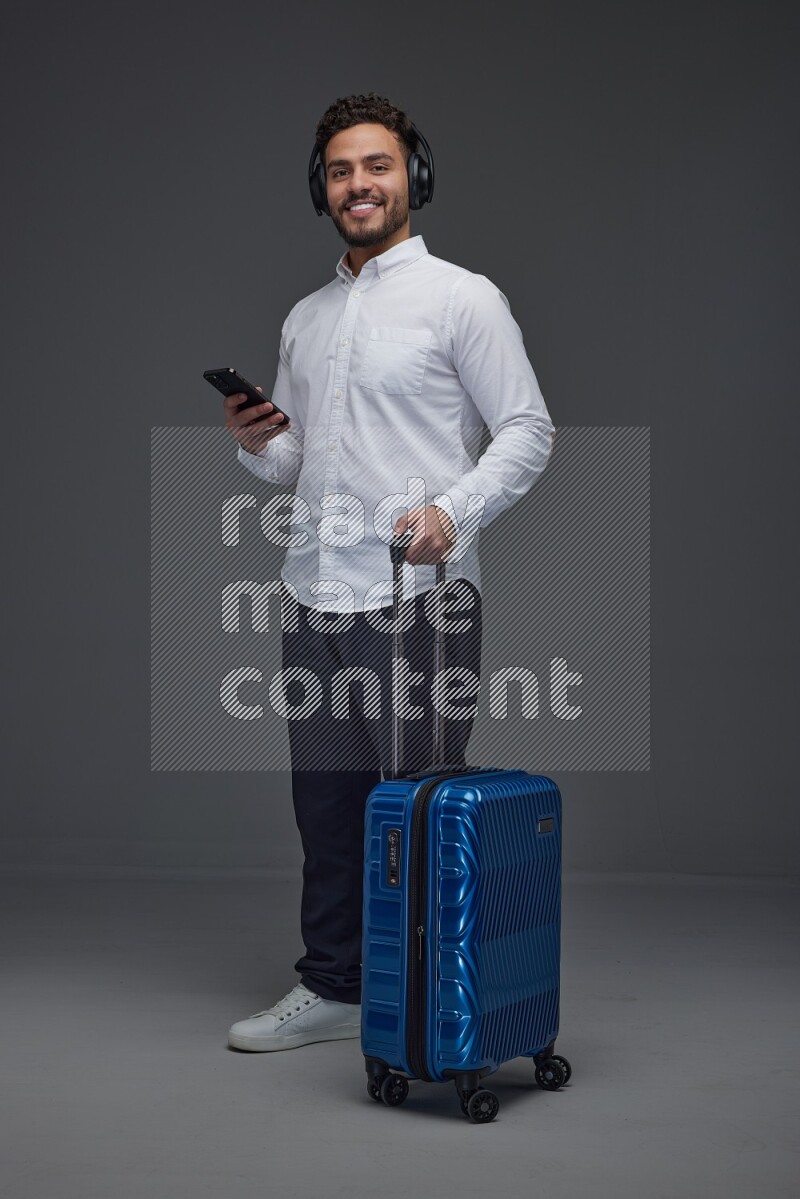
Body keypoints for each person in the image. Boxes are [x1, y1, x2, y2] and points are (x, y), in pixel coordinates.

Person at [222, 93, 555, 1052]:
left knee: (415, 807)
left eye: (377, 165)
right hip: (313, 591)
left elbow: (528, 430)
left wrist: (454, 511)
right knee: (325, 810)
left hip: (417, 597)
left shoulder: (462, 298)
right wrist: (257, 440)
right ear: (321, 188)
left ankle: (426, 1006)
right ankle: (332, 985)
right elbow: (297, 463)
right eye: (340, 171)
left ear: (415, 174)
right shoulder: (307, 317)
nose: (358, 184)